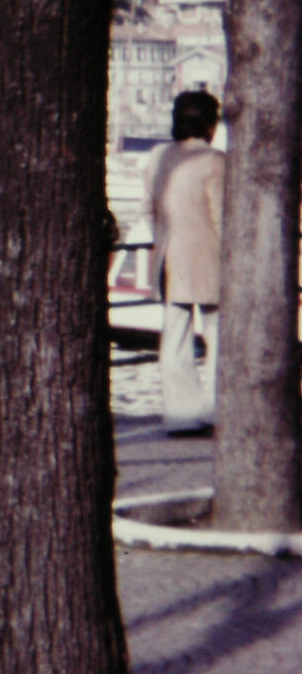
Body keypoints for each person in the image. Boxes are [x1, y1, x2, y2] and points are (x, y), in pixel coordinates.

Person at [142, 90, 224, 437]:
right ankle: (214, 409)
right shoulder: (216, 162)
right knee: (218, 335)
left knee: (174, 336)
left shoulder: (159, 157)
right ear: (210, 123)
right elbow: (223, 218)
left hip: (168, 258)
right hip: (209, 257)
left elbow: (148, 209)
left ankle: (180, 414)